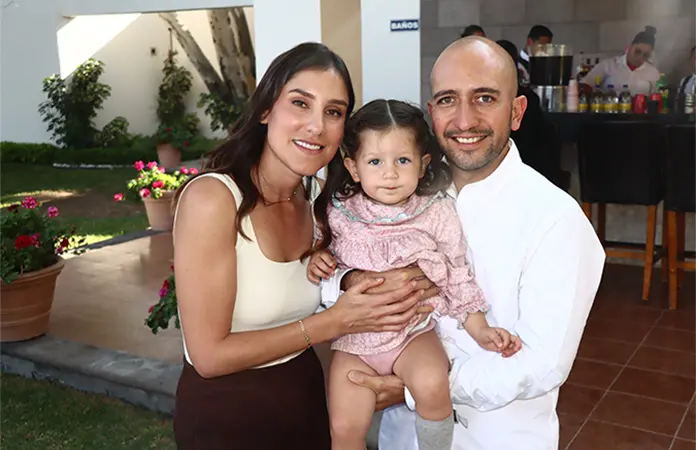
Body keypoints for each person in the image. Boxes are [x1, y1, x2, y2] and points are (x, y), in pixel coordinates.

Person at [322, 36, 606, 450]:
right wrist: (348, 282)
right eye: (447, 100)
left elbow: (541, 364)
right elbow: (328, 280)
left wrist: (419, 385)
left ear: (516, 112)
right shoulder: (397, 192)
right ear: (432, 112)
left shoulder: (556, 219)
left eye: (484, 98)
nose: (464, 120)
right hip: (400, 439)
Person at [171, 42, 431, 450]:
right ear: (265, 110)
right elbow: (208, 356)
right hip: (228, 420)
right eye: (300, 103)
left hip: (307, 405)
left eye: (333, 112)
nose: (316, 126)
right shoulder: (214, 200)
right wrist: (335, 323)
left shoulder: (320, 202)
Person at [307, 99, 521, 450]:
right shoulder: (338, 211)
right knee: (344, 424)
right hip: (354, 343)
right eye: (375, 162)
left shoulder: (436, 212)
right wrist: (319, 258)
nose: (390, 173)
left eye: (402, 161)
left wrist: (480, 329)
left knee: (433, 385)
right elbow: (320, 251)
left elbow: (457, 273)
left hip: (413, 335)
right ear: (353, 168)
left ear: (422, 165)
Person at [580, 26, 660, 95]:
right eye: (637, 52)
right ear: (631, 46)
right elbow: (585, 84)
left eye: (645, 55)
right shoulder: (608, 65)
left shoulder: (653, 73)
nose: (640, 57)